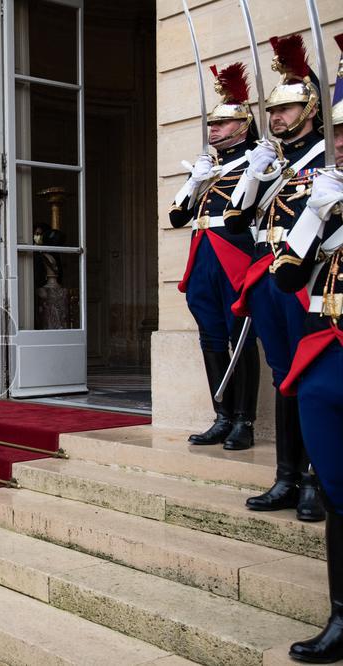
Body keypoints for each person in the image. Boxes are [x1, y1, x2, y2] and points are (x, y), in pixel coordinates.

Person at [225, 34, 325, 522]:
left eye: (286, 110)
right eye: (272, 112)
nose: (276, 118)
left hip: (309, 278)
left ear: (310, 109)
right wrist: (252, 176)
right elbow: (237, 222)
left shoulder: (327, 159)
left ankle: (313, 478)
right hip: (268, 276)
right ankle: (286, 475)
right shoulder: (277, 165)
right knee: (282, 375)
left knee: (309, 378)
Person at [272, 34, 343, 663]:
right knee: (338, 485)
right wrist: (317, 220)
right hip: (330, 351)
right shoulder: (327, 192)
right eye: (339, 135)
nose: (342, 146)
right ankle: (341, 615)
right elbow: (290, 272)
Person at [169, 62, 259, 451]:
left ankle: (244, 421)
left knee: (240, 339)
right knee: (211, 338)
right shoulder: (210, 167)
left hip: (236, 256)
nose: (213, 131)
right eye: (212, 125)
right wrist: (194, 180)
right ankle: (221, 415)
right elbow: (177, 217)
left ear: (242, 125)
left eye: (222, 124)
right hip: (203, 256)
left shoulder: (259, 161)